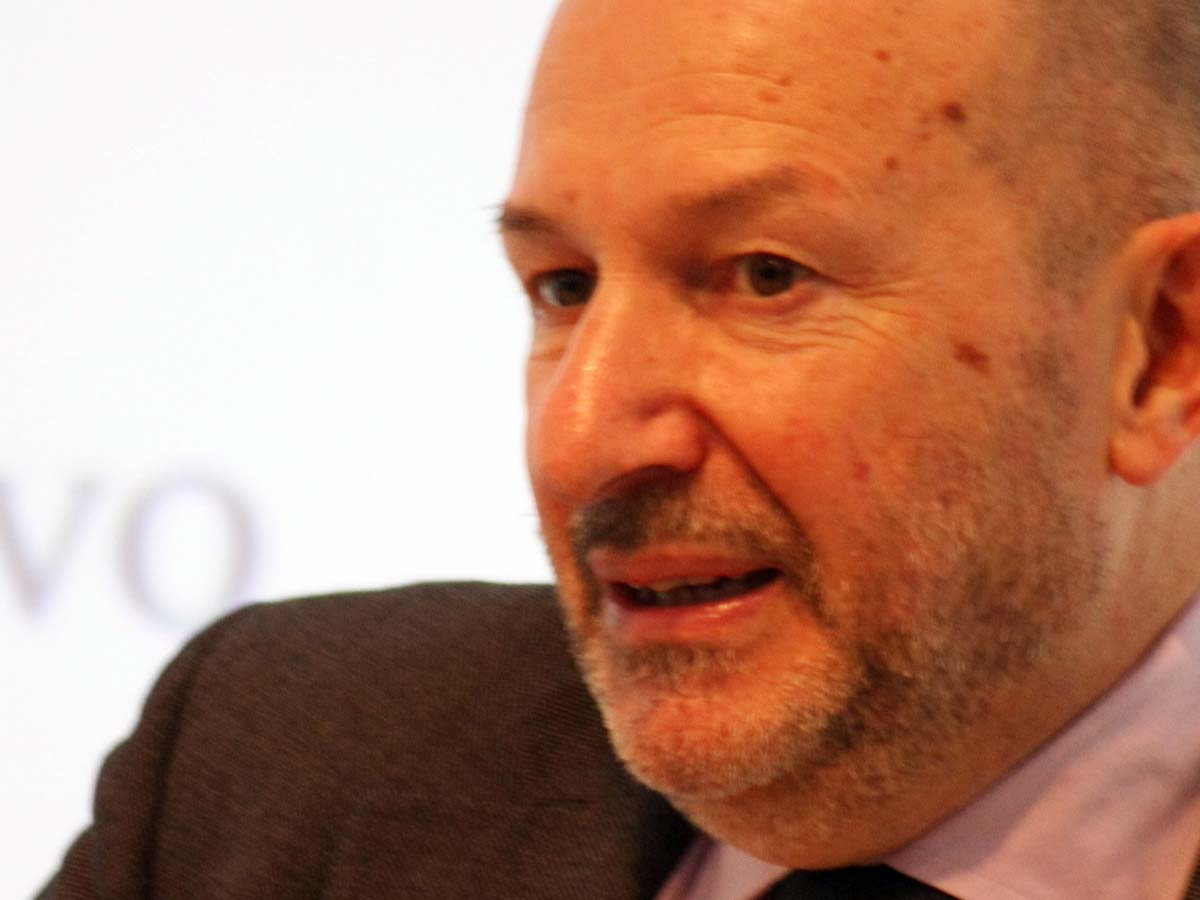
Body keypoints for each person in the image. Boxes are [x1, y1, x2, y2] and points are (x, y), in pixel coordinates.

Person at [40, 0, 1200, 897]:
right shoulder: (273, 771)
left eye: (763, 277)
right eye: (563, 286)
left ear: (1159, 348)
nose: (578, 440)